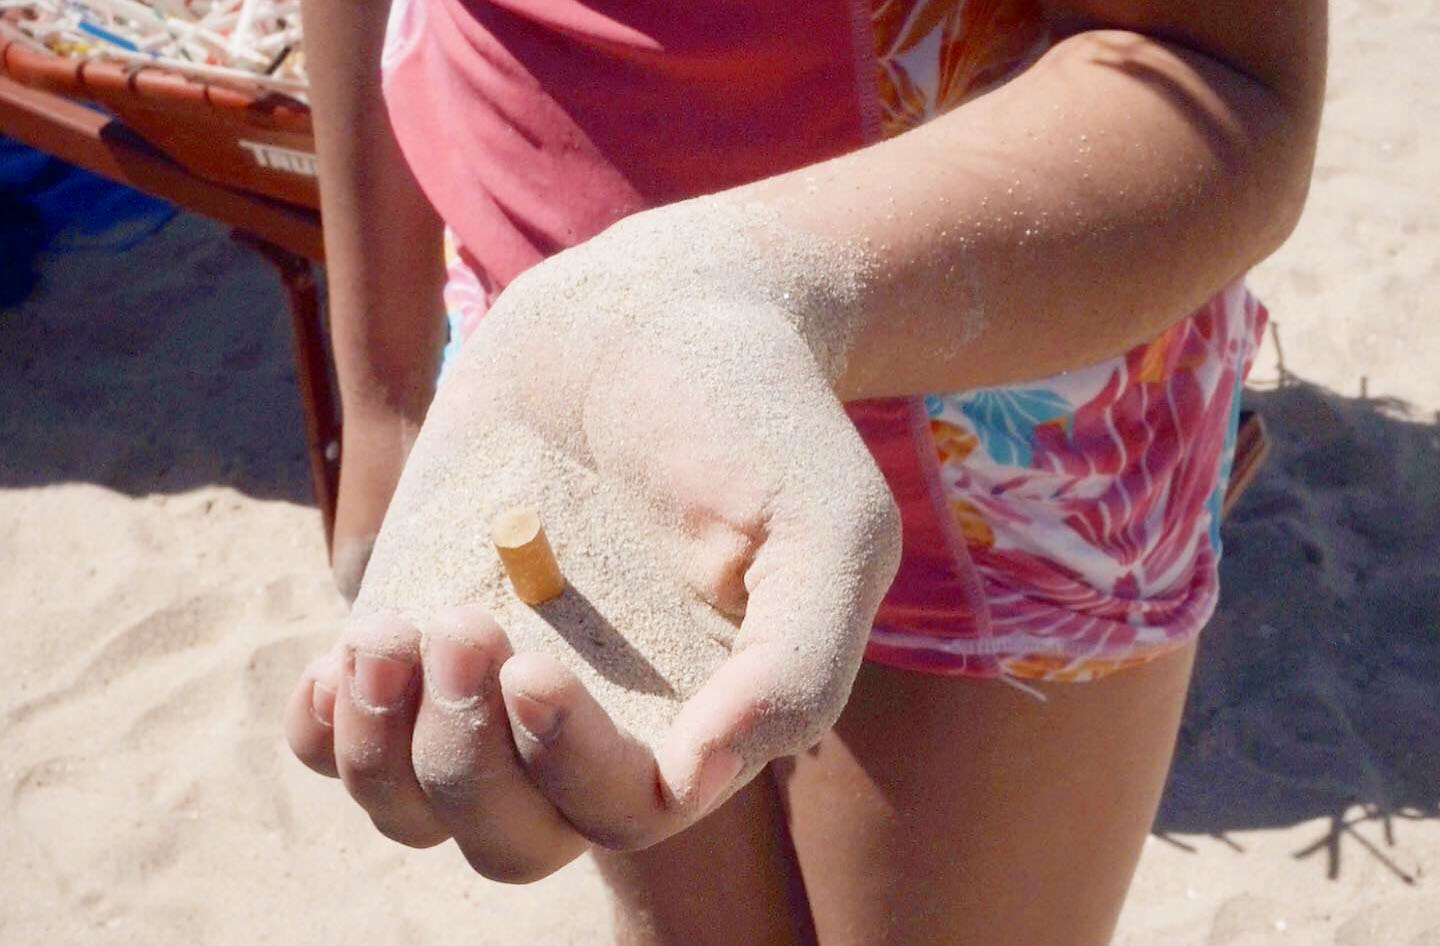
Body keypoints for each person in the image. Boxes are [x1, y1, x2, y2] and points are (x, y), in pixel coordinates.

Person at [283, 1, 1326, 943]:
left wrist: (748, 288)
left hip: (1013, 388)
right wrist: (381, 391)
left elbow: (1223, 67)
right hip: (563, 379)